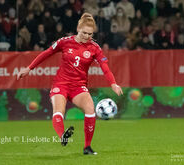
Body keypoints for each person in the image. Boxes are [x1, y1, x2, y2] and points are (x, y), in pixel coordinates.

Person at [17, 13, 123, 155]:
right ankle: (63, 136)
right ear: (78, 29)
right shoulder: (64, 42)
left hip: (79, 86)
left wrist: (113, 84)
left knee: (90, 110)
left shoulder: (95, 48)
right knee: (58, 112)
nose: (87, 36)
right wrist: (29, 68)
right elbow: (46, 53)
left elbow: (105, 67)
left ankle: (87, 147)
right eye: (84, 32)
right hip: (60, 84)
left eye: (90, 34)